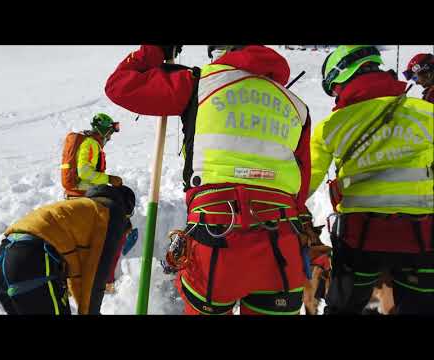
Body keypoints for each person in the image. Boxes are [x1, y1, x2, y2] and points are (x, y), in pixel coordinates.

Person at [105, 44, 318, 315]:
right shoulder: (296, 106)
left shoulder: (200, 83)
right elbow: (301, 185)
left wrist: (155, 50)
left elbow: (119, 85)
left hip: (217, 233)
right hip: (281, 241)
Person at [310, 45, 433, 314]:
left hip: (359, 239)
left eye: (334, 90)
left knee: (342, 309)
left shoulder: (331, 125)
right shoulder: (426, 112)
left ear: (341, 78)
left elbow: (300, 184)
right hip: (421, 238)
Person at [0, 184, 136, 315]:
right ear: (126, 209)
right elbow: (97, 271)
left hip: (1, 259)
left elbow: (79, 275)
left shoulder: (81, 209)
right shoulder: (112, 212)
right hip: (32, 260)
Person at [61, 113, 123, 198]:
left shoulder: (90, 142)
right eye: (110, 132)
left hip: (81, 192)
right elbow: (84, 172)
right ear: (103, 131)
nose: (109, 137)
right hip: (83, 193)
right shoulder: (91, 143)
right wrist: (109, 179)